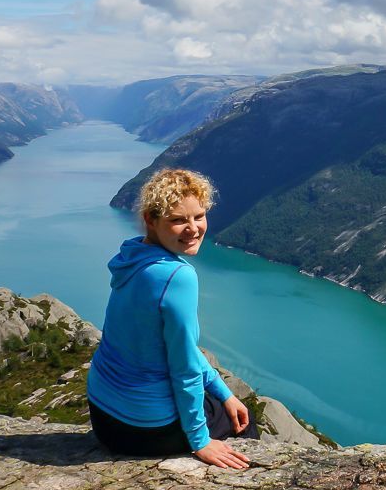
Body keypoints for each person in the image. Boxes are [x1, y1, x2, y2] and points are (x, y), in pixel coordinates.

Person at [86, 167, 258, 469]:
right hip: (142, 429)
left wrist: (223, 392)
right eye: (178, 220)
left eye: (199, 216)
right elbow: (185, 367)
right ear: (152, 221)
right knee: (244, 421)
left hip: (103, 416)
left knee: (227, 405)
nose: (193, 228)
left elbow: (180, 350)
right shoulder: (177, 276)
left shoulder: (132, 257)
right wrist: (199, 440)